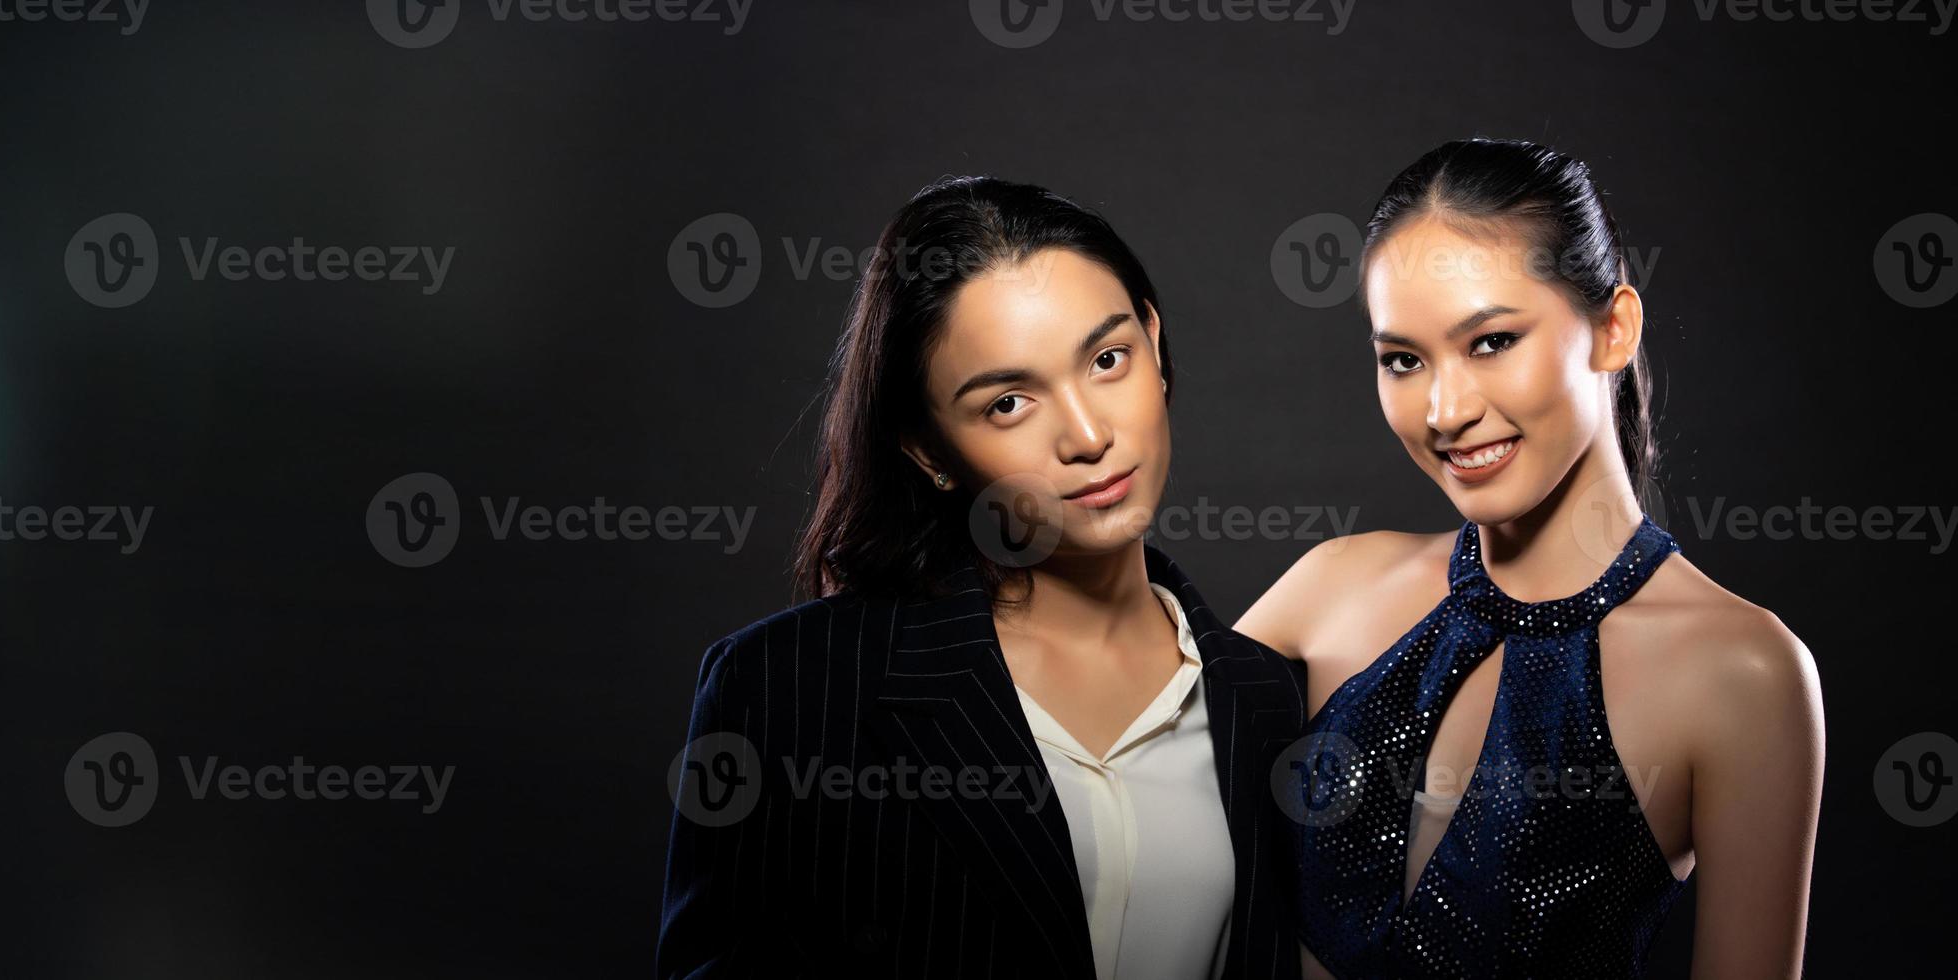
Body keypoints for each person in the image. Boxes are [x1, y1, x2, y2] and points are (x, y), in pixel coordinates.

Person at [658, 175, 1307, 979]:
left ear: (1154, 341)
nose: (1086, 434)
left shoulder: (1272, 697)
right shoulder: (786, 688)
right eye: (1007, 403)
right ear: (929, 451)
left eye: (1108, 359)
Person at [1237, 139, 1824, 978]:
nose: (1442, 410)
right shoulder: (1332, 588)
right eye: (1402, 360)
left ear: (1612, 328)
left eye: (1490, 342)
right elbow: (1107, 800)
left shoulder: (1741, 673)